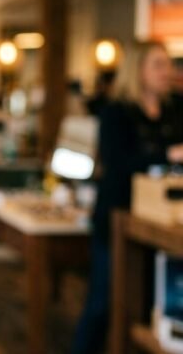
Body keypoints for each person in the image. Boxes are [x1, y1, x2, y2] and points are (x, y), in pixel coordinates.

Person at [72, 41, 183, 353]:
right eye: (158, 64)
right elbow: (117, 163)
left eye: (168, 64)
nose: (167, 72)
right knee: (102, 302)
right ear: (138, 70)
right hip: (116, 216)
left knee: (149, 305)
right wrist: (169, 154)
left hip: (161, 220)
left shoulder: (176, 109)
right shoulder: (116, 112)